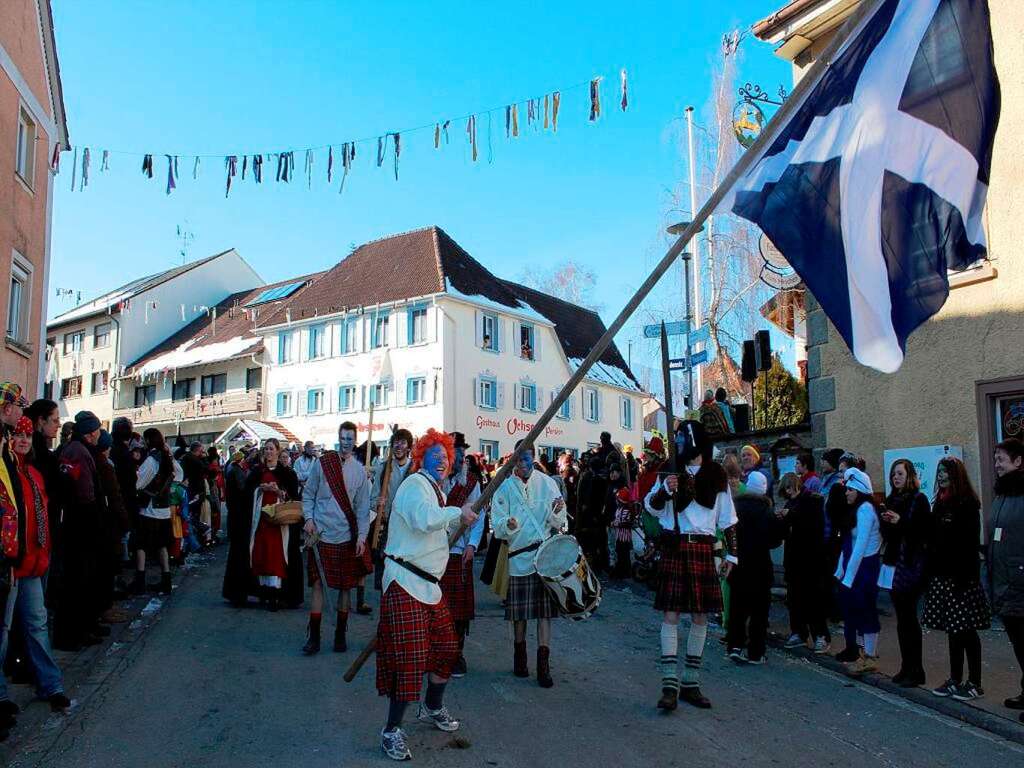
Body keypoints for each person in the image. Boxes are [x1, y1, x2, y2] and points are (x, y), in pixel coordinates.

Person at [376, 429, 478, 761]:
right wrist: (455, 514)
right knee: (410, 660)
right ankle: (391, 730)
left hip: (429, 586)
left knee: (447, 648)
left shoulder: (437, 492)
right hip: (404, 581)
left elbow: (437, 528)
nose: (441, 461)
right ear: (421, 458)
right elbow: (423, 520)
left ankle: (431, 706)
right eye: (434, 456)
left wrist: (457, 520)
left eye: (445, 457)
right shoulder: (412, 486)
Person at [645, 421, 737, 710]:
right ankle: (669, 685)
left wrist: (732, 557)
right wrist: (664, 491)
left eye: (684, 438)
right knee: (671, 615)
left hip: (703, 548)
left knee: (700, 618)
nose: (680, 443)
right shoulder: (670, 471)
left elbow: (729, 520)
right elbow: (651, 506)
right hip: (676, 547)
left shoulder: (716, 475)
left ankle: (691, 683)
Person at [0, 417, 70, 729]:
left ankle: (50, 684)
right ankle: (1, 694)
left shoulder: (33, 473)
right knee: (3, 633)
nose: (24, 440)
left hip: (35, 562)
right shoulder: (7, 474)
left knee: (37, 623)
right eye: (18, 434)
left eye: (28, 435)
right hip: (13, 564)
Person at [490, 439, 566, 687]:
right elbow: (497, 526)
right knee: (519, 615)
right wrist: (507, 526)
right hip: (519, 557)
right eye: (519, 459)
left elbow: (559, 522)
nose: (524, 464)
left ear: (533, 457)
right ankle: (519, 657)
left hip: (544, 557)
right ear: (513, 459)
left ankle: (543, 666)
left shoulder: (547, 483)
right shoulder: (503, 488)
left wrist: (557, 511)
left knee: (545, 615)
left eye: (528, 458)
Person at [923, 457, 990, 701]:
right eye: (939, 471)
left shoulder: (967, 504)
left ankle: (974, 682)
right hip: (942, 576)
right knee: (953, 631)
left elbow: (968, 545)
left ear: (956, 475)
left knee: (966, 631)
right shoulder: (939, 503)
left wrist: (965, 579)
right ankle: (955, 678)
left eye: (946, 472)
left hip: (961, 579)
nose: (941, 476)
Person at [301, 423, 369, 653]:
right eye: (343, 438)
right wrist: (308, 519)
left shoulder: (360, 471)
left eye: (350, 438)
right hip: (320, 534)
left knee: (345, 587)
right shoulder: (322, 464)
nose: (346, 442)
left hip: (346, 536)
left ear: (355, 440)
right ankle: (314, 637)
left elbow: (362, 510)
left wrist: (361, 537)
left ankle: (340, 634)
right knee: (317, 585)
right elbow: (308, 495)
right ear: (338, 438)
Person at [54, 411, 107, 650]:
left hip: (79, 523)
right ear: (90, 432)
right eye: (96, 430)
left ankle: (81, 629)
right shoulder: (77, 451)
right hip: (80, 525)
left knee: (81, 580)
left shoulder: (77, 450)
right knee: (76, 581)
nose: (98, 434)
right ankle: (71, 635)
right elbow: (83, 492)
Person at [881, 459, 931, 688]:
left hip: (910, 565)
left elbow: (921, 533)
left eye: (900, 474)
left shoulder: (918, 500)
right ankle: (905, 666)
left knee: (909, 618)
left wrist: (899, 521)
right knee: (902, 618)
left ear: (909, 475)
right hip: (893, 563)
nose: (896, 478)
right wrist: (887, 521)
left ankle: (916, 669)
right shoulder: (892, 499)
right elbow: (889, 536)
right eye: (893, 475)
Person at [726, 471, 783, 664]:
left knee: (737, 608)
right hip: (760, 565)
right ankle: (756, 651)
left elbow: (727, 530)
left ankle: (735, 645)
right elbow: (776, 538)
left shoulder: (736, 507)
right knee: (759, 611)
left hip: (739, 563)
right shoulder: (767, 511)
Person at [439, 432, 483, 677]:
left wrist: (472, 545)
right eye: (457, 452)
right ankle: (436, 654)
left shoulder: (472, 483)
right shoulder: (435, 480)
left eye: (463, 453)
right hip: (434, 551)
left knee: (458, 611)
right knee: (436, 607)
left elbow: (479, 517)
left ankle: (457, 655)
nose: (460, 458)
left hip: (458, 552)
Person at [988, 437, 1024, 719]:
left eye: (1001, 459)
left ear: (1018, 461)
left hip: (1020, 580)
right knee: (1020, 643)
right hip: (1005, 580)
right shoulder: (1002, 494)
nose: (996, 463)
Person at [833, 467, 882, 674]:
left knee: (865, 610)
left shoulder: (865, 510)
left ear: (859, 490)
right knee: (856, 611)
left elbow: (860, 545)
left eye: (850, 489)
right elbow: (848, 543)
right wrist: (840, 570)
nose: (846, 492)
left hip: (865, 568)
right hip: (857, 568)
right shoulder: (857, 510)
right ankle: (863, 654)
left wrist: (848, 578)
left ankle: (870, 656)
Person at [778, 473, 831, 653]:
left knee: (813, 599)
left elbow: (812, 524)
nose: (789, 493)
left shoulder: (812, 500)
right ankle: (799, 632)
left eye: (790, 489)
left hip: (811, 559)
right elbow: (785, 532)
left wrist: (790, 515)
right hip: (794, 559)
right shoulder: (790, 503)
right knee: (795, 599)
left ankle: (820, 636)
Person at [246, 438, 300, 612]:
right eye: (266, 449)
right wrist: (260, 490)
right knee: (261, 553)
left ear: (277, 451)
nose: (268, 452)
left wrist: (278, 491)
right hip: (261, 520)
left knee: (276, 555)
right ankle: (263, 592)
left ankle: (276, 596)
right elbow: (247, 493)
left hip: (278, 523)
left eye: (271, 449)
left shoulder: (286, 473)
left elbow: (293, 497)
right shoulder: (257, 472)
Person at [369, 429, 414, 595]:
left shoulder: (416, 470)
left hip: (409, 531)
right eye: (396, 442)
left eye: (402, 442)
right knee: (386, 578)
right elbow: (372, 500)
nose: (398, 446)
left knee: (406, 577)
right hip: (388, 530)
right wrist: (377, 502)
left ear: (409, 446)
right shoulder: (383, 469)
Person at [134, 428, 176, 596]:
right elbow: (177, 475)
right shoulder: (166, 457)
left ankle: (140, 580)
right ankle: (166, 579)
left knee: (140, 544)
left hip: (149, 508)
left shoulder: (152, 460)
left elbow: (138, 483)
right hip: (164, 509)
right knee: (162, 545)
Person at [222, 449, 256, 606]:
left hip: (238, 516)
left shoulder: (235, 469)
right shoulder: (237, 471)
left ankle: (238, 592)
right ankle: (238, 593)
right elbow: (243, 490)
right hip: (240, 517)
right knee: (240, 553)